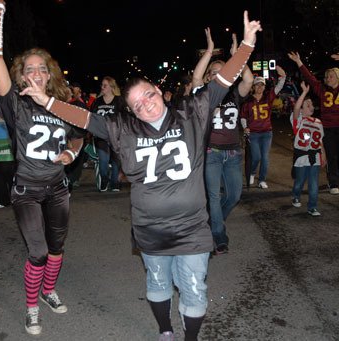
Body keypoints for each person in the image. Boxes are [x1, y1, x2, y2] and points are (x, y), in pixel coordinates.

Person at [19, 10, 261, 340]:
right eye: (135, 103)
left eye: (148, 94)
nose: (145, 103)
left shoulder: (192, 112)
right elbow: (85, 119)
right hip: (150, 227)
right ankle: (165, 330)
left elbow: (221, 82)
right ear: (131, 112)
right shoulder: (124, 129)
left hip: (192, 224)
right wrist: (47, 102)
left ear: (159, 91)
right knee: (158, 282)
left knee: (194, 287)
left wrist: (246, 45)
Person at [0, 0, 85, 335]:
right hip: (27, 188)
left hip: (58, 188)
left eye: (41, 68)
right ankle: (32, 306)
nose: (36, 72)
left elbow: (78, 137)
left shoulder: (61, 105)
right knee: (39, 251)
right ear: (21, 75)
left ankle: (48, 292)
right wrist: (0, 11)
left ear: (50, 73)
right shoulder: (14, 103)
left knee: (57, 248)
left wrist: (72, 155)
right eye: (29, 68)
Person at [192, 29, 253, 255]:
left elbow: (248, 78)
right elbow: (196, 79)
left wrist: (237, 55)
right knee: (214, 196)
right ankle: (218, 236)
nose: (218, 75)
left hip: (234, 153)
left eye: (223, 71)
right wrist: (208, 51)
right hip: (211, 153)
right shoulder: (205, 94)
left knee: (234, 195)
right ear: (210, 77)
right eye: (214, 73)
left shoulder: (235, 93)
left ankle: (215, 221)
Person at [288, 51, 339, 195]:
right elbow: (310, 78)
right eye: (327, 76)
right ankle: (333, 182)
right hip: (328, 128)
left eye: (331, 76)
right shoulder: (322, 89)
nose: (327, 78)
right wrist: (299, 62)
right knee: (332, 155)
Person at [240, 65, 286, 189]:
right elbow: (243, 116)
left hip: (266, 132)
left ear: (264, 87)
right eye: (257, 85)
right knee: (256, 157)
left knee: (265, 158)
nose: (259, 87)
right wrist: (245, 127)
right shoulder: (248, 101)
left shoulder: (268, 97)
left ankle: (261, 180)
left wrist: (283, 76)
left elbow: (279, 87)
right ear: (253, 87)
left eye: (262, 85)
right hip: (254, 133)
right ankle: (252, 173)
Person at [290, 81, 326, 216]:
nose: (311, 107)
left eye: (311, 105)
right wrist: (304, 93)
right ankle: (296, 195)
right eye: (307, 105)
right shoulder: (298, 120)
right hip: (301, 157)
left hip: (315, 157)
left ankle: (312, 206)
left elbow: (320, 141)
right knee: (299, 182)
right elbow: (295, 109)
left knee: (314, 183)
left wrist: (324, 155)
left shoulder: (318, 122)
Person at [90, 76, 124, 191]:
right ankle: (104, 179)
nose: (102, 87)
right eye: (102, 85)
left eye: (105, 85)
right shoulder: (97, 101)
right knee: (103, 160)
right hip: (101, 135)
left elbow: (125, 117)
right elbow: (91, 117)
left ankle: (115, 182)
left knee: (116, 160)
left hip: (116, 136)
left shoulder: (119, 100)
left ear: (111, 87)